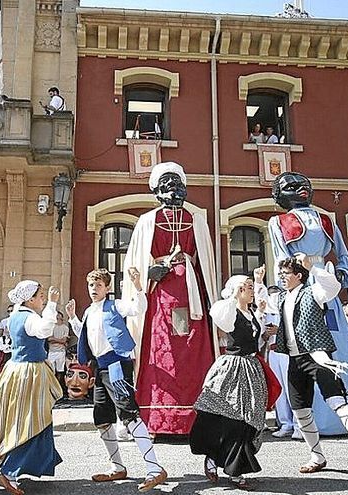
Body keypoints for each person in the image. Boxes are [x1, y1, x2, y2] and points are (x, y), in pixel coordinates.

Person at [266, 171, 348, 435]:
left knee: (340, 350)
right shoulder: (278, 222)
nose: (301, 189)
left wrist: (340, 274)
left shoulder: (326, 219)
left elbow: (344, 255)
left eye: (305, 185)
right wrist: (291, 286)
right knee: (306, 352)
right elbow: (282, 259)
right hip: (303, 290)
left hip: (328, 288)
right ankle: (313, 420)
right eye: (292, 186)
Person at [261, 255, 348, 474]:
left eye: (286, 273)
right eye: (280, 273)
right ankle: (317, 456)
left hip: (319, 358)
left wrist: (314, 268)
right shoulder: (281, 298)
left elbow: (332, 286)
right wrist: (259, 281)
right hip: (295, 360)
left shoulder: (314, 292)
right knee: (301, 411)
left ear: (299, 276)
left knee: (339, 403)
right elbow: (265, 301)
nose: (281, 276)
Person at [122, 161, 219, 435]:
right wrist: (149, 273)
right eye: (166, 185)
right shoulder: (146, 221)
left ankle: (197, 416)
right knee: (161, 351)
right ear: (156, 190)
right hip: (159, 295)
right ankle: (159, 418)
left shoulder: (196, 220)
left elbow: (205, 263)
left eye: (177, 184)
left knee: (192, 352)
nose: (172, 189)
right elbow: (137, 261)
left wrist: (209, 295)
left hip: (191, 294)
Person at [66, 267, 168, 491]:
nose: (94, 289)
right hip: (100, 367)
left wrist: (138, 284)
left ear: (107, 288)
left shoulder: (116, 305)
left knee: (129, 413)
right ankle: (117, 466)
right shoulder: (89, 312)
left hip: (116, 365)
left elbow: (139, 308)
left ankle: (155, 468)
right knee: (102, 417)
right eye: (91, 285)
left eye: (99, 285)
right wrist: (73, 317)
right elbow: (85, 333)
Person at [0, 281, 63, 495]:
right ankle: (10, 471)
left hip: (16, 370)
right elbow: (44, 331)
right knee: (30, 421)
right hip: (29, 373)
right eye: (40, 295)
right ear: (30, 299)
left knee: (24, 419)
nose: (42, 298)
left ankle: (19, 466)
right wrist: (52, 305)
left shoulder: (15, 316)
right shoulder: (30, 317)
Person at [190, 275, 279, 490]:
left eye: (251, 287)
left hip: (252, 368)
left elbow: (255, 340)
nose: (251, 291)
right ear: (238, 290)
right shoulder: (230, 312)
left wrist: (265, 334)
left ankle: (221, 461)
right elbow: (219, 315)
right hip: (233, 369)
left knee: (248, 419)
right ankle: (231, 469)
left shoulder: (252, 314)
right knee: (231, 419)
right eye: (247, 287)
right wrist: (233, 294)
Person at [257, 282, 297, 439]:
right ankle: (285, 423)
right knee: (279, 387)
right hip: (272, 351)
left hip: (286, 351)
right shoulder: (266, 314)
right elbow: (261, 337)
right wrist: (266, 334)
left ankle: (298, 424)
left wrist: (279, 330)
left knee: (290, 387)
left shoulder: (287, 311)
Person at [47, 311, 70, 394]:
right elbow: (49, 339)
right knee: (51, 371)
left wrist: (55, 340)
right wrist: (61, 341)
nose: (58, 320)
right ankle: (51, 389)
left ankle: (58, 388)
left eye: (59, 318)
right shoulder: (51, 327)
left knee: (60, 371)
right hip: (52, 352)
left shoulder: (65, 328)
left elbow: (64, 340)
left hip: (61, 352)